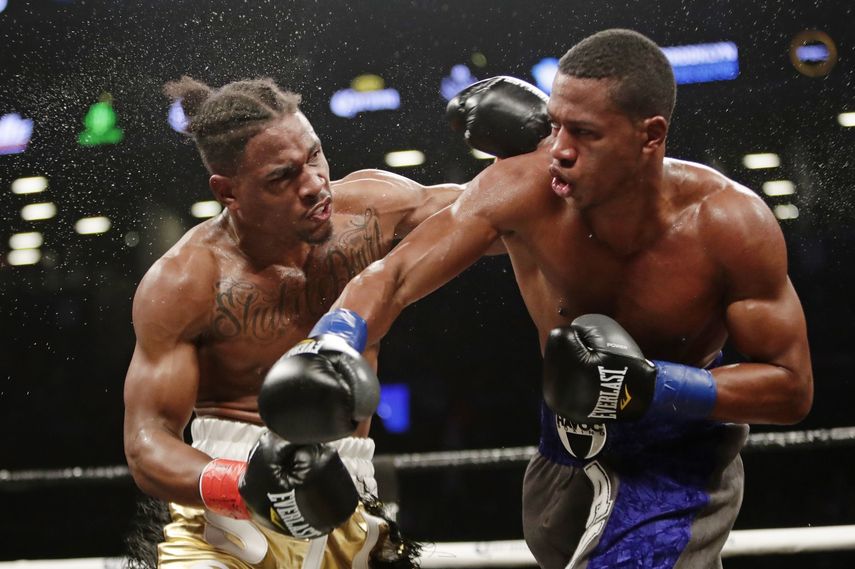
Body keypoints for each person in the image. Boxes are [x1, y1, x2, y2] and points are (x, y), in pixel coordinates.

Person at [285, 30, 814, 568]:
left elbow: (791, 389)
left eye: (584, 133)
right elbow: (393, 277)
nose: (558, 149)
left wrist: (650, 386)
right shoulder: (522, 187)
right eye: (555, 123)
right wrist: (333, 340)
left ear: (650, 136)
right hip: (563, 451)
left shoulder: (728, 225)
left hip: (674, 462)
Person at [122, 75, 547, 568]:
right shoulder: (185, 280)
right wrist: (245, 484)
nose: (313, 184)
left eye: (315, 155)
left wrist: (541, 141)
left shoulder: (374, 209)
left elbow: (507, 216)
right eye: (282, 177)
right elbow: (147, 443)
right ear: (228, 191)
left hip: (349, 497)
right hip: (224, 519)